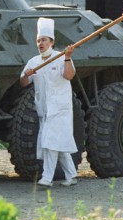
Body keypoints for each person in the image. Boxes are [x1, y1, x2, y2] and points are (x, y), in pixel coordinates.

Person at [19, 17, 78, 188]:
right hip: (44, 109)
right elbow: (23, 82)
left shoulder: (60, 57)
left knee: (50, 141)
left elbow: (69, 76)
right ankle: (72, 175)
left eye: (44, 40)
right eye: (38, 40)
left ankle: (47, 177)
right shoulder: (34, 62)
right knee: (57, 142)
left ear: (52, 42)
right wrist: (27, 75)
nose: (40, 43)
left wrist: (67, 57)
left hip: (60, 109)